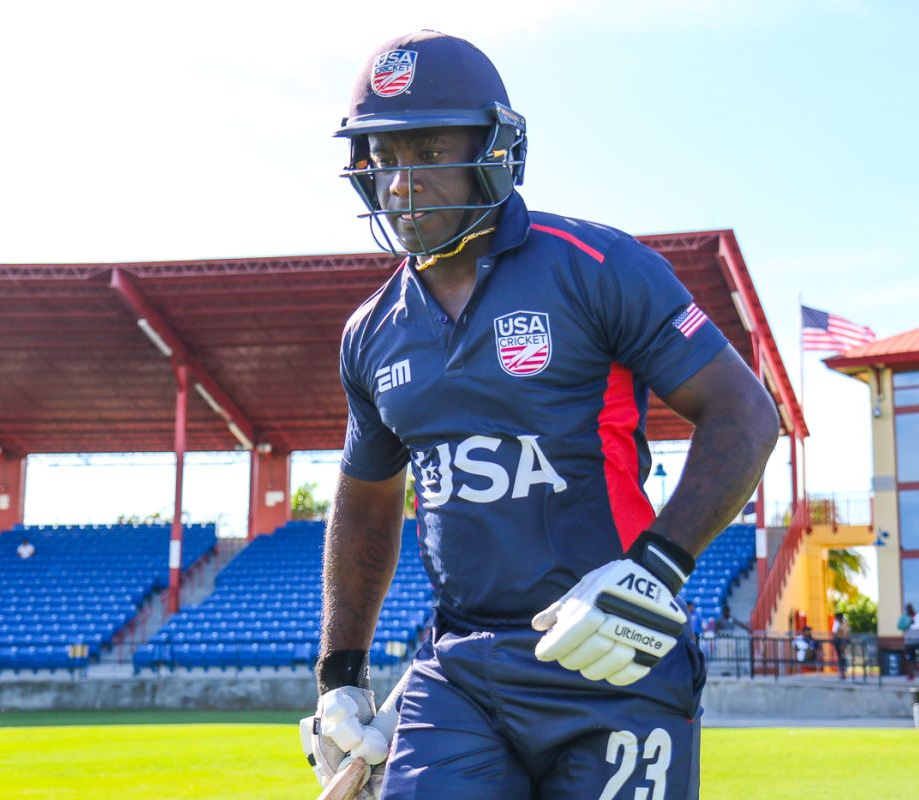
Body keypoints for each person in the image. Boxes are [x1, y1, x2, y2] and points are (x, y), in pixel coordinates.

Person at [301, 30, 778, 800]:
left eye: (426, 153)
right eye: (383, 159)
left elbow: (745, 415)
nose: (399, 185)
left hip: (615, 651)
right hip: (459, 667)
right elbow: (365, 501)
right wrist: (340, 677)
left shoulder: (598, 266)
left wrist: (654, 573)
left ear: (496, 149)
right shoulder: (372, 330)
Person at [831, 611, 850, 679]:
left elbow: (842, 634)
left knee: (842, 658)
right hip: (840, 643)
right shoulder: (841, 624)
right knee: (841, 658)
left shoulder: (841, 624)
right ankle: (842, 672)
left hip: (841, 643)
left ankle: (843, 672)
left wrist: (842, 643)